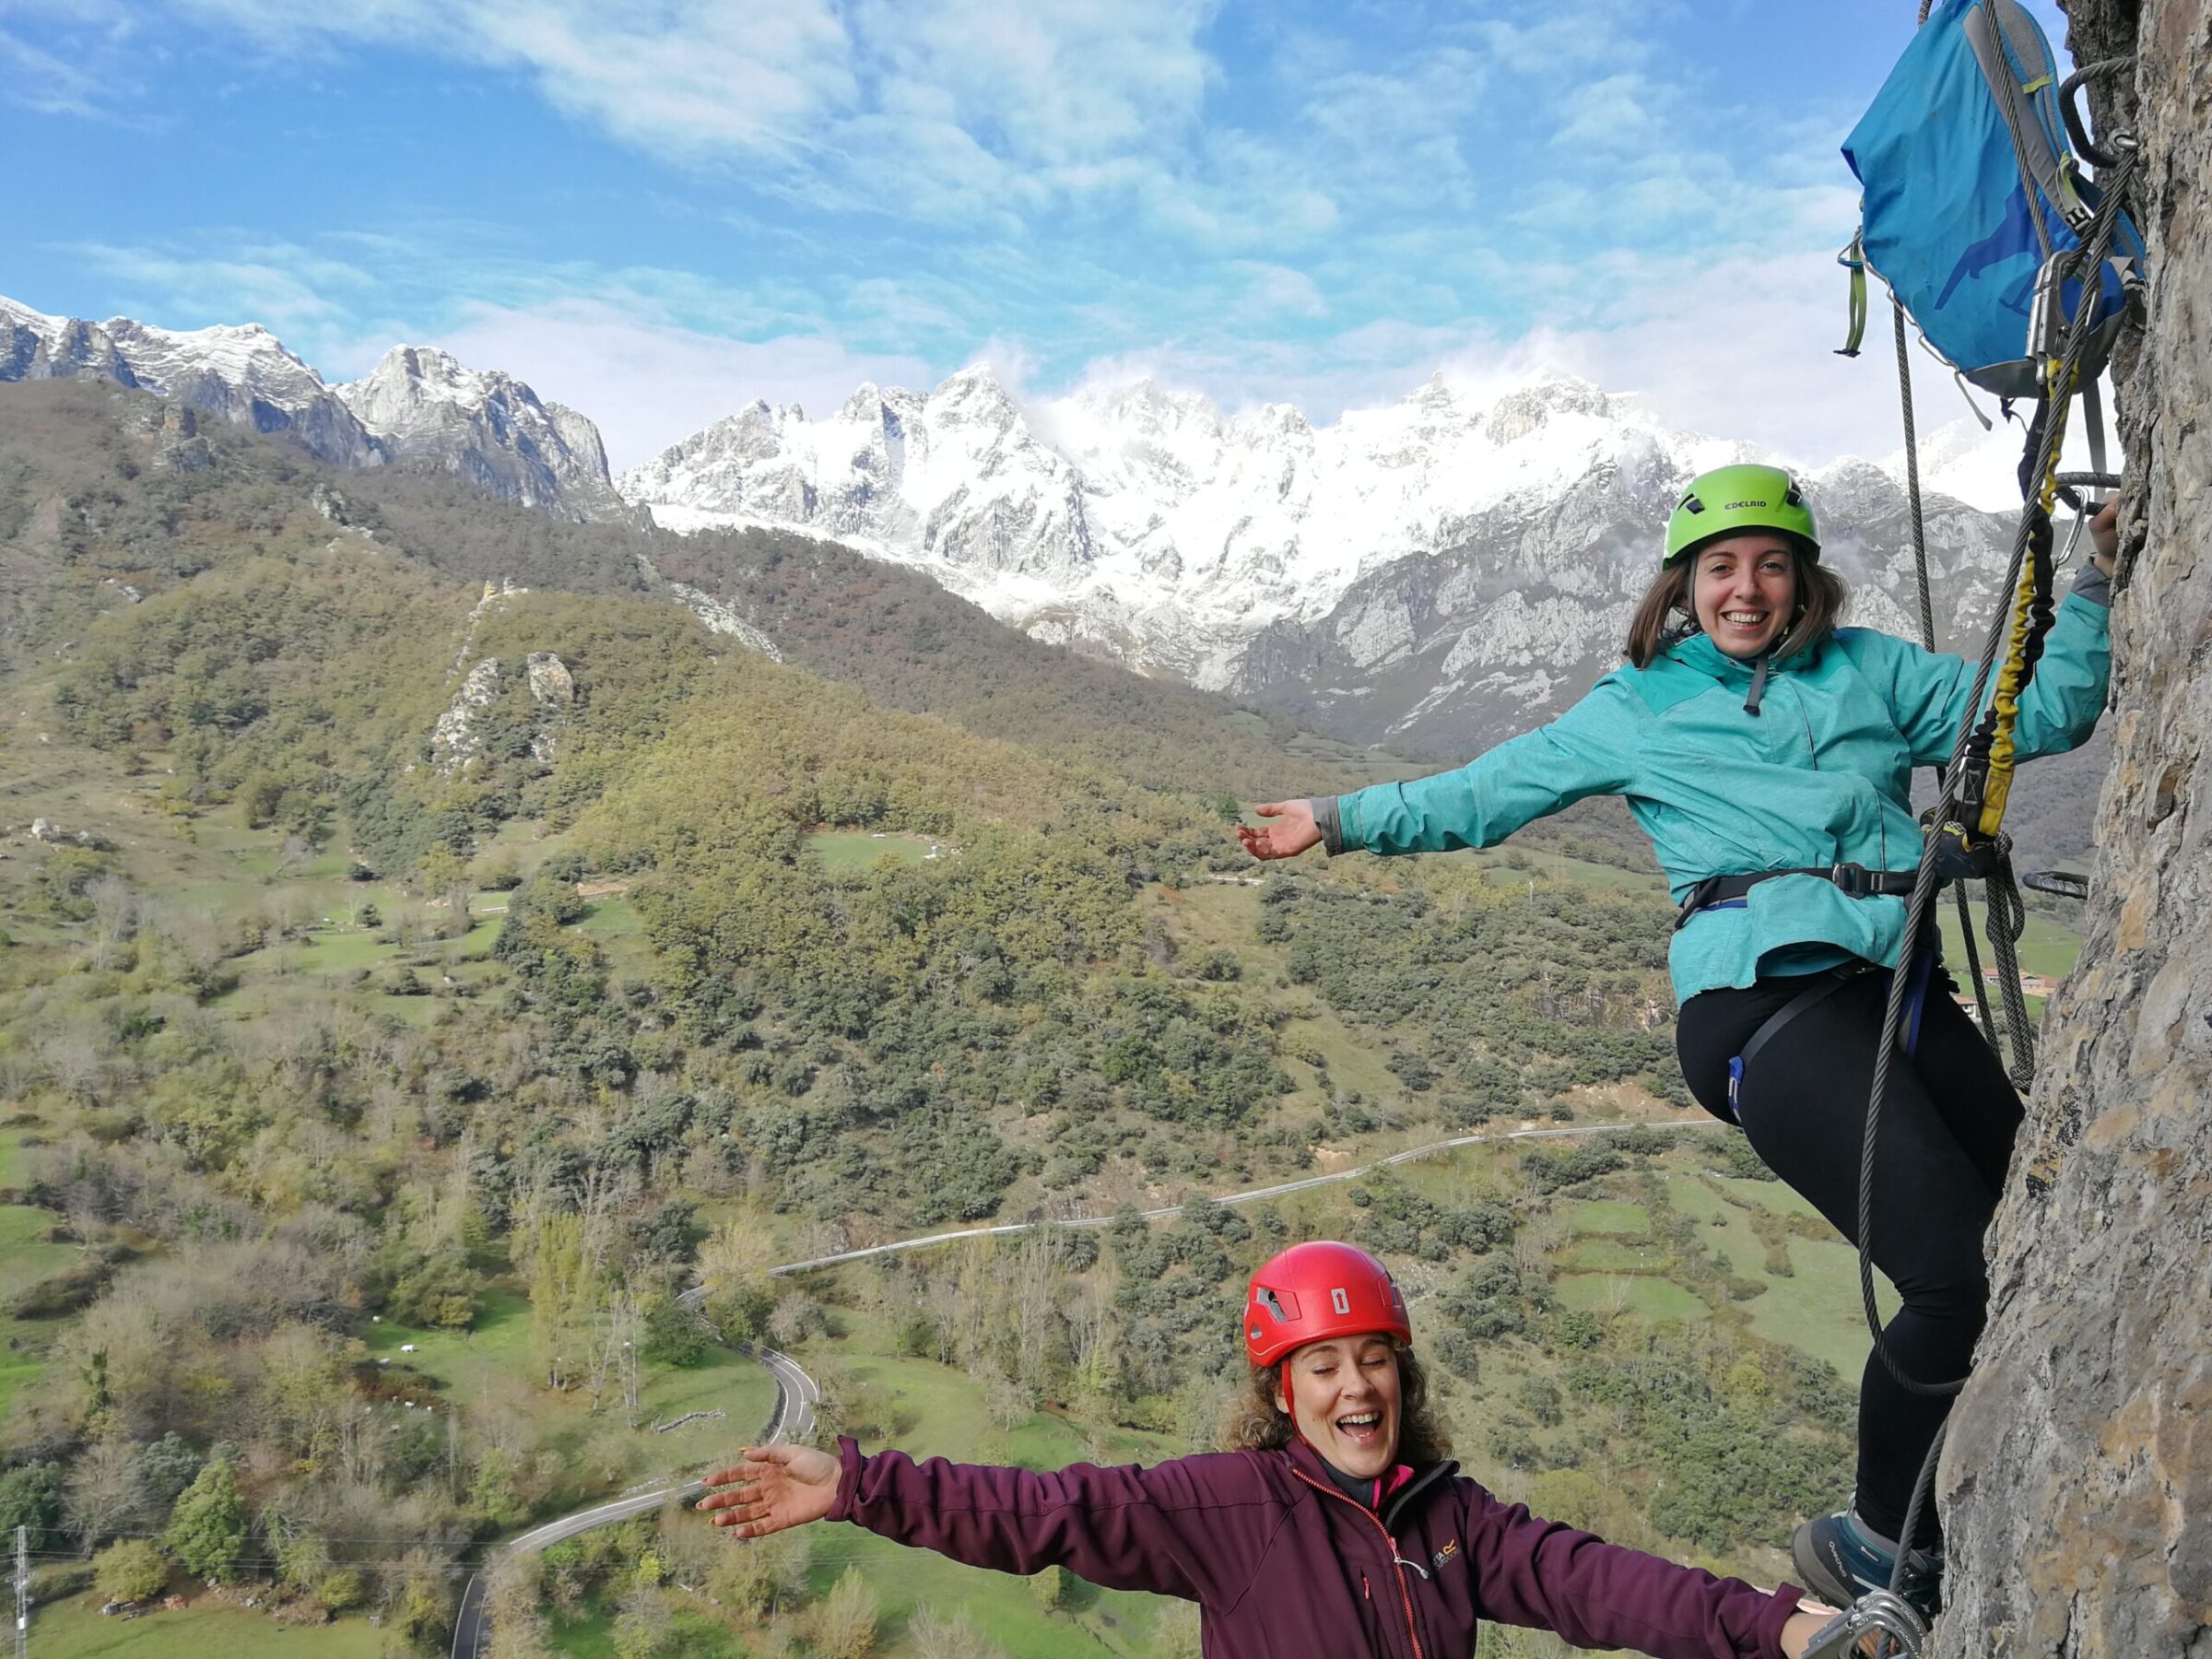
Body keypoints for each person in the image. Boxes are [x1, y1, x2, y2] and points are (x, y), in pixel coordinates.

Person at [1235, 465, 2118, 1617]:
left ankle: (1958, 1488)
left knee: (2037, 1225)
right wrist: (1341, 820)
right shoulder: (1639, 704)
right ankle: (1874, 1543)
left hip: (1893, 987)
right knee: (1951, 1269)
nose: (1743, 590)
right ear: (1683, 588)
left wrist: (2094, 584)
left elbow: (2036, 714)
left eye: (1767, 565)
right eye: (1719, 570)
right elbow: (1488, 793)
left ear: (1804, 579)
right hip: (1763, 1005)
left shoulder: (1876, 673)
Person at [700, 1240, 1841, 1657]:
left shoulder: (1454, 1520)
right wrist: (864, 1489)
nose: (1357, 1386)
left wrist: (1777, 1626)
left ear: (1404, 1373)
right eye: (1324, 1366)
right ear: (1283, 1393)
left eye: (1374, 1358)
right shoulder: (1231, 1510)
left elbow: (1602, 1586)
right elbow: (1046, 1511)